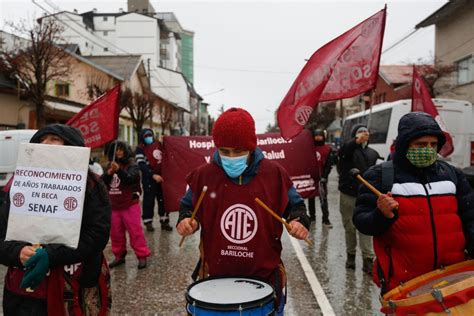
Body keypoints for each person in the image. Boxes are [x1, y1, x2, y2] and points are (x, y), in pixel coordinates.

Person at [176, 108, 310, 315]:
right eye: (224, 151)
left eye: (238, 151)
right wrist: (186, 221)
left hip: (264, 277)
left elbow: (297, 207)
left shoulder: (274, 174)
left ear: (251, 147)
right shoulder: (203, 175)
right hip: (216, 275)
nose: (231, 157)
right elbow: (187, 207)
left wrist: (299, 221)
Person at [353, 112, 474, 293]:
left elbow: (470, 218)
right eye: (420, 144)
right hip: (404, 283)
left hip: (451, 279)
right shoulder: (380, 176)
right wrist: (381, 215)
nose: (428, 149)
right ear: (404, 145)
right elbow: (362, 222)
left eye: (433, 145)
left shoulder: (451, 175)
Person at [0, 124, 111, 315]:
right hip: (24, 295)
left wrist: (51, 254)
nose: (46, 143)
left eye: (54, 139)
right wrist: (17, 252)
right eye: (41, 140)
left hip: (73, 288)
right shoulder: (16, 186)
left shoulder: (91, 186)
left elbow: (97, 235)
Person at [337, 124, 380, 274]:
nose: (363, 134)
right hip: (348, 194)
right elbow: (343, 151)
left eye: (366, 132)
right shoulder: (347, 151)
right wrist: (355, 142)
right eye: (360, 132)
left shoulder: (373, 153)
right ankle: (351, 257)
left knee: (366, 228)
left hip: (365, 196)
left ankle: (368, 260)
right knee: (350, 227)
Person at [102, 141, 151, 269]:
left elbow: (131, 178)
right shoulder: (109, 165)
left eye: (121, 149)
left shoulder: (132, 165)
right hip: (114, 206)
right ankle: (119, 256)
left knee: (135, 232)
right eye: (116, 149)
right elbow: (102, 183)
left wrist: (119, 171)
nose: (118, 152)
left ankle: (142, 256)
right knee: (115, 234)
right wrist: (109, 173)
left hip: (130, 205)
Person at [135, 129, 172, 232]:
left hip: (162, 178)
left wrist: (167, 142)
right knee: (148, 201)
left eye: (150, 135)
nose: (149, 137)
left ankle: (165, 221)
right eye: (146, 135)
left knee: (163, 200)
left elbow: (166, 156)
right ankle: (148, 222)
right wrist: (152, 175)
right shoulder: (140, 149)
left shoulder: (158, 145)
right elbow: (141, 165)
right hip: (149, 180)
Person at [308, 129, 335, 227]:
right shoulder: (309, 148)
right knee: (311, 198)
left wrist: (324, 176)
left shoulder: (327, 149)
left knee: (323, 198)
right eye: (316, 135)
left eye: (320, 135)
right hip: (311, 178)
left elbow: (329, 164)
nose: (318, 137)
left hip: (322, 178)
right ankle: (312, 217)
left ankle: (325, 219)